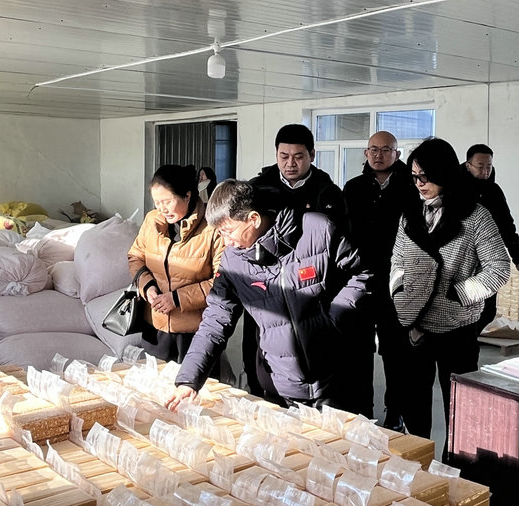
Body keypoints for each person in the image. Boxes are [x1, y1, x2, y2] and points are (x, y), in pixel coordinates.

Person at [163, 180, 371, 412]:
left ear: (253, 219)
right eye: (219, 233)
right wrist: (189, 380)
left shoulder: (317, 229)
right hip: (280, 383)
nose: (226, 242)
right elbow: (216, 319)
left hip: (335, 378)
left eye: (228, 231)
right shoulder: (232, 260)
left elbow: (362, 274)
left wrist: (334, 319)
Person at [390, 138, 510, 450]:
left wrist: (458, 295)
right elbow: (397, 262)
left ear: (444, 173)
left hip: (457, 328)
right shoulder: (410, 215)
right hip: (414, 324)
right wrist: (400, 295)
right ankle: (417, 466)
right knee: (414, 406)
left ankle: (455, 470)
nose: (419, 184)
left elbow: (499, 269)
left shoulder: (476, 216)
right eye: (414, 177)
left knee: (460, 409)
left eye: (425, 176)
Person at [239, 123, 347, 399]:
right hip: (265, 291)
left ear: (312, 155)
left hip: (309, 293)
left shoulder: (328, 193)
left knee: (308, 364)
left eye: (298, 156)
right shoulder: (256, 191)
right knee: (260, 363)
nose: (290, 163)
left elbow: (341, 252)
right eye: (283, 156)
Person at [343, 130, 415, 424]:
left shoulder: (410, 187)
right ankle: (362, 411)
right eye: (373, 149)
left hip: (397, 284)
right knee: (358, 351)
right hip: (360, 281)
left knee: (396, 352)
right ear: (366, 153)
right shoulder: (353, 188)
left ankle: (395, 413)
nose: (379, 155)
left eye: (386, 150)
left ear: (397, 154)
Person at [128, 164, 225, 366]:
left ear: (187, 196)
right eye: (157, 203)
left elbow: (222, 282)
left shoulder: (213, 228)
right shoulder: (152, 221)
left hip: (196, 331)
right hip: (154, 326)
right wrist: (147, 286)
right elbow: (135, 257)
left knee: (194, 384)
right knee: (154, 382)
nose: (162, 209)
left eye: (167, 201)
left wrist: (177, 298)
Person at [461, 144, 519, 335]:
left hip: (488, 257)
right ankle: (462, 343)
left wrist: (518, 255)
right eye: (480, 166)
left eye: (488, 166)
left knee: (487, 311)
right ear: (468, 165)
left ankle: (470, 339)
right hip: (462, 257)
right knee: (463, 307)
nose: (485, 171)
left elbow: (506, 223)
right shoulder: (455, 189)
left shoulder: (494, 191)